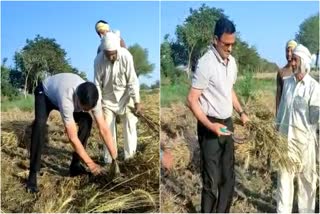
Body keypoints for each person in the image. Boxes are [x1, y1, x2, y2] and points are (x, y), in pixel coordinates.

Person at [187, 17, 249, 213]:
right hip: (210, 127)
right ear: (215, 40)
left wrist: (241, 112)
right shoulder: (206, 63)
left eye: (233, 44)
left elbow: (228, 90)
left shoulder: (232, 63)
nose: (230, 48)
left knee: (228, 178)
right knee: (211, 180)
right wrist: (210, 125)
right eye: (226, 44)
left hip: (227, 123)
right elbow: (191, 99)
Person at [26, 73, 117, 193]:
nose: (86, 110)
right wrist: (91, 165)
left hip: (66, 95)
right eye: (84, 108)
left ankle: (75, 166)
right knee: (40, 125)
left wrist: (115, 158)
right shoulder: (67, 98)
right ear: (78, 98)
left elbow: (104, 129)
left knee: (87, 120)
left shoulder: (95, 98)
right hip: (45, 94)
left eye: (89, 109)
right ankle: (32, 175)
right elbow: (72, 137)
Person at [276, 44, 319, 213]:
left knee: (307, 184)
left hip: (305, 145)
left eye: (295, 59)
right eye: (292, 59)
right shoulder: (287, 83)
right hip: (285, 143)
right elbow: (281, 112)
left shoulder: (314, 87)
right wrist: (276, 132)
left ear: (304, 62)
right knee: (284, 184)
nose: (291, 63)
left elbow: (315, 118)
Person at [94, 32, 141, 164]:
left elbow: (132, 80)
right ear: (104, 52)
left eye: (113, 54)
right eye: (108, 55)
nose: (111, 57)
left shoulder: (126, 56)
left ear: (117, 49)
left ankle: (129, 158)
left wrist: (137, 101)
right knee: (107, 128)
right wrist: (98, 105)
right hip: (108, 100)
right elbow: (97, 84)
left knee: (130, 126)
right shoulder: (98, 61)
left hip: (126, 97)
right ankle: (110, 160)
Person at [276, 40, 298, 115]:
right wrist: (277, 115)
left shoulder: (300, 71)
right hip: (285, 112)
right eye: (287, 51)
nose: (289, 54)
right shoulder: (281, 72)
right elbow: (279, 95)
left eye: (291, 51)